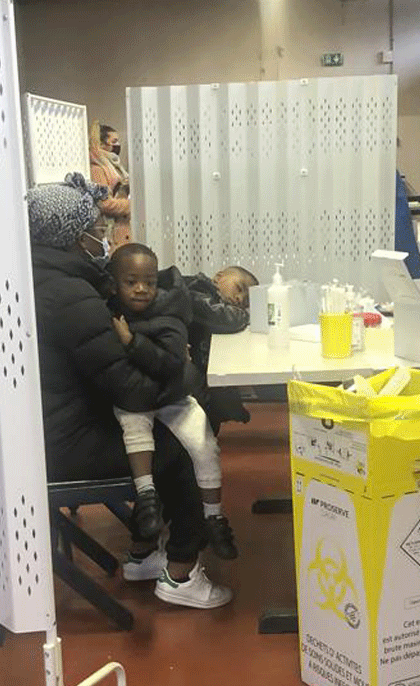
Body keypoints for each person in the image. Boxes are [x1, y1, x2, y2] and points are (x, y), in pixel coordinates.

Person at [30, 172, 231, 609]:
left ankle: (142, 556)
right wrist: (189, 375)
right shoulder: (68, 295)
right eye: (96, 229)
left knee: (164, 430)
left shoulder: (40, 278)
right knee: (183, 444)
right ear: (73, 236)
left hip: (47, 430)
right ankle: (181, 574)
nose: (103, 236)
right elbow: (133, 390)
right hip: (65, 444)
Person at [107, 244, 237, 560]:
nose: (141, 289)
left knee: (204, 443)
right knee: (133, 421)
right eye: (131, 282)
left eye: (149, 282)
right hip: (137, 398)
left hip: (173, 395)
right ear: (115, 283)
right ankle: (146, 501)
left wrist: (130, 342)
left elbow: (169, 363)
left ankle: (214, 517)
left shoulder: (171, 311)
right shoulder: (105, 311)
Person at [177, 265, 257, 432]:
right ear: (219, 277)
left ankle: (225, 411)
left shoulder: (213, 297)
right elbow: (218, 316)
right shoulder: (195, 287)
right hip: (181, 358)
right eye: (240, 288)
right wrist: (246, 315)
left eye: (247, 300)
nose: (240, 298)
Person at [89, 122, 132, 247]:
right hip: (111, 232)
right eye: (114, 141)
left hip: (122, 227)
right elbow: (104, 204)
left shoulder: (113, 165)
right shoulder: (97, 168)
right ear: (101, 144)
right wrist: (131, 204)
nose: (117, 145)